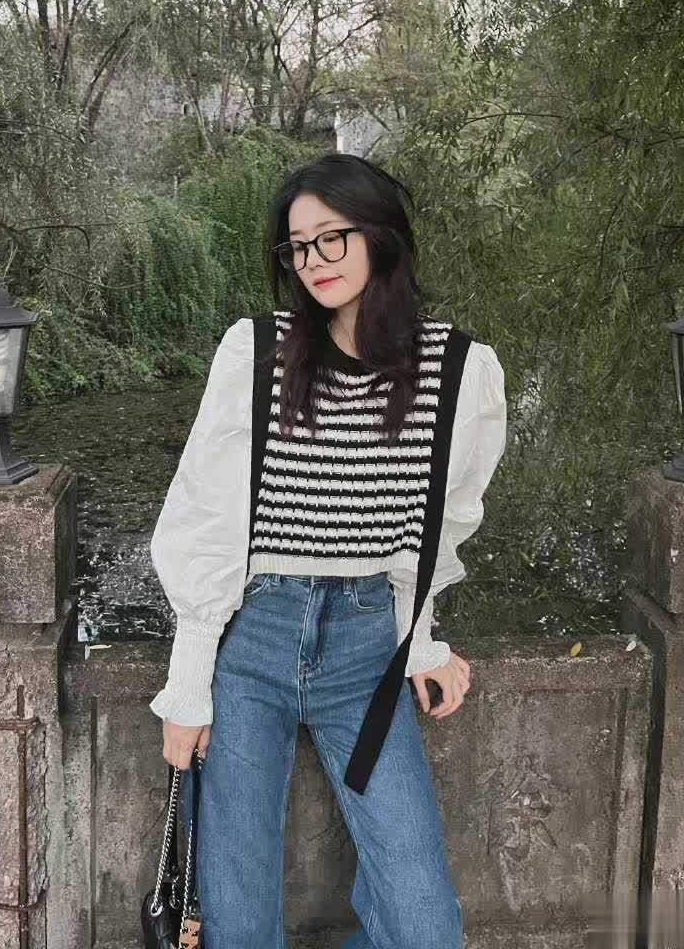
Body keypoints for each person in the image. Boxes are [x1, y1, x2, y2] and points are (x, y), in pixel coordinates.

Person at [148, 151, 507, 948]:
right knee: (239, 926)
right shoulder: (256, 352)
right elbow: (205, 514)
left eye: (331, 237)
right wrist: (188, 686)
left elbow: (438, 527)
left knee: (426, 928)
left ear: (382, 235)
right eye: (298, 246)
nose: (313, 260)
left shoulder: (459, 370)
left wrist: (422, 642)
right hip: (251, 644)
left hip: (366, 651)